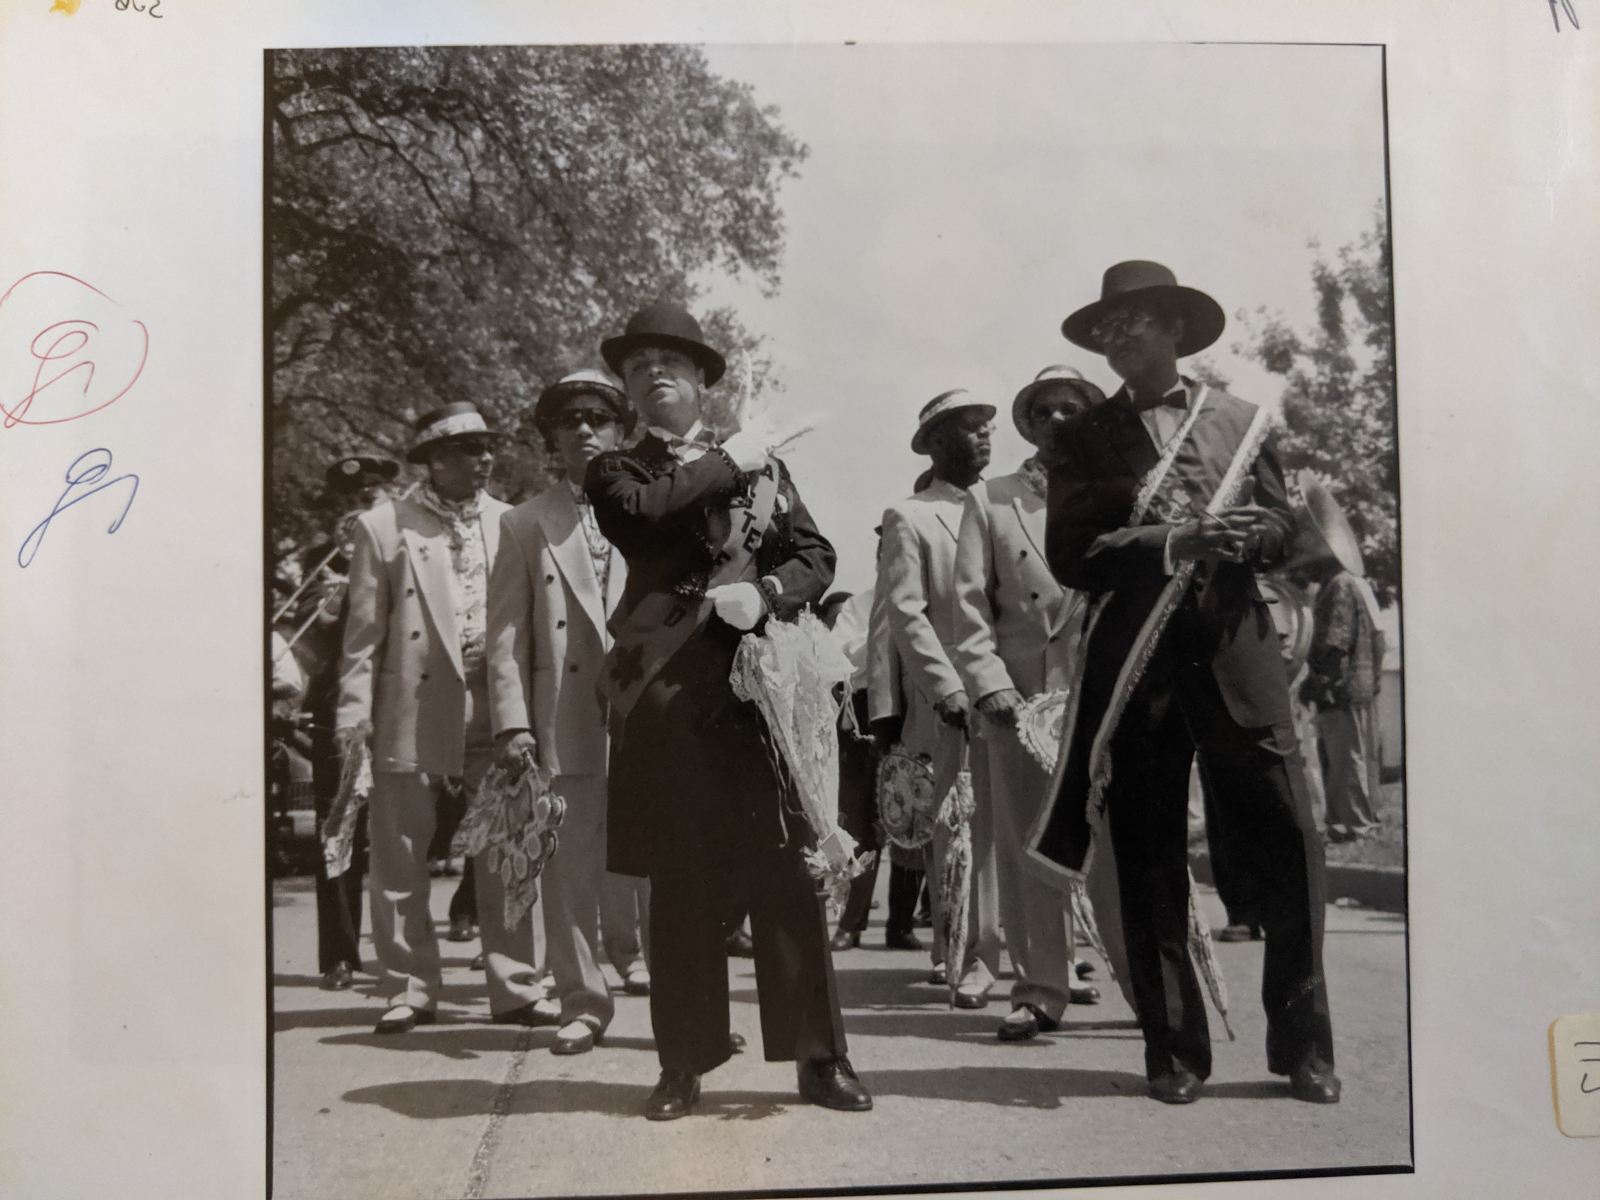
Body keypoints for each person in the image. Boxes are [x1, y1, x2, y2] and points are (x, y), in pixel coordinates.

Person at [1031, 261, 1339, 1105]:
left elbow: (1289, 531)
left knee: (1292, 839)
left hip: (1239, 652)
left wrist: (1255, 532)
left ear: (1174, 328)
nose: (1115, 337)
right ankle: (1174, 1052)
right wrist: (1176, 541)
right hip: (1140, 666)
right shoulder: (1081, 440)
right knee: (1148, 852)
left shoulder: (1240, 420)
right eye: (1104, 329)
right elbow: (1073, 557)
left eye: (1132, 321)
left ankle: (1305, 1046)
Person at [586, 301, 870, 1119]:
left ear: (705, 379)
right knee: (681, 889)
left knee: (789, 878)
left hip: (762, 701)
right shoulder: (615, 470)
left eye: (673, 361)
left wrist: (771, 591)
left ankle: (821, 1058)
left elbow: (816, 553)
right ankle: (683, 1063)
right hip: (670, 695)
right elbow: (644, 522)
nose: (655, 374)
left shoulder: (766, 470)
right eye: (639, 367)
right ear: (629, 390)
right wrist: (733, 457)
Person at [336, 403, 558, 1034]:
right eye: (466, 449)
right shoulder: (382, 527)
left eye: (487, 446)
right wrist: (353, 719)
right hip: (412, 699)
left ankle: (516, 985)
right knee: (400, 850)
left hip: (499, 700)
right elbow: (360, 638)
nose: (483, 458)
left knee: (508, 846)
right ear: (431, 460)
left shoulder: (514, 521)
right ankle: (409, 987)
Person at [949, 366, 1112, 1040]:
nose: (1056, 420)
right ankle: (1040, 987)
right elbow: (967, 604)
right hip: (1017, 704)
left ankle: (1149, 989)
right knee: (1024, 848)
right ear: (1028, 424)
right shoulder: (992, 500)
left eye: (1071, 408)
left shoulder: (1119, 491)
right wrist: (989, 684)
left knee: (1113, 842)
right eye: (1042, 410)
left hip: (1103, 692)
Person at [486, 369, 642, 1056]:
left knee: (659, 865)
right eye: (569, 418)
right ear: (551, 434)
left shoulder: (656, 503)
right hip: (563, 713)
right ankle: (582, 1001)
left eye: (599, 417)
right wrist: (512, 721)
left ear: (622, 428)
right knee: (569, 864)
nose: (584, 428)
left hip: (647, 710)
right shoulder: (524, 521)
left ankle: (678, 997)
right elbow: (505, 633)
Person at [870, 390, 1002, 1006]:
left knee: (1017, 823)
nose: (983, 437)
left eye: (987, 427)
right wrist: (942, 687)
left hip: (1012, 692)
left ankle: (1033, 953)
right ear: (937, 440)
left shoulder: (1005, 507)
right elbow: (902, 614)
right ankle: (966, 953)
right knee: (960, 829)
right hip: (948, 702)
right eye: (968, 428)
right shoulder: (911, 515)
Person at [294, 454, 399, 990]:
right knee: (337, 828)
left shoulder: (406, 546)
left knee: (404, 828)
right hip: (340, 709)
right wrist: (328, 609)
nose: (356, 510)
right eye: (345, 503)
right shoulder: (319, 559)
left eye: (368, 498)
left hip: (404, 701)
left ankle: (404, 953)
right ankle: (339, 954)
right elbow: (309, 644)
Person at [1296, 472, 1385, 843]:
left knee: (1343, 759)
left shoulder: (1339, 585)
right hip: (1352, 686)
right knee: (1347, 756)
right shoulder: (1349, 583)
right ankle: (1349, 820)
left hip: (1340, 687)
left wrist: (1316, 682)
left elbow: (1334, 641)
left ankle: (1354, 824)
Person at [818, 588, 882, 951]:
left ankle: (941, 943)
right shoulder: (864, 603)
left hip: (915, 706)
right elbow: (843, 655)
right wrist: (885, 631)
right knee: (859, 823)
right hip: (863, 716)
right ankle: (850, 921)